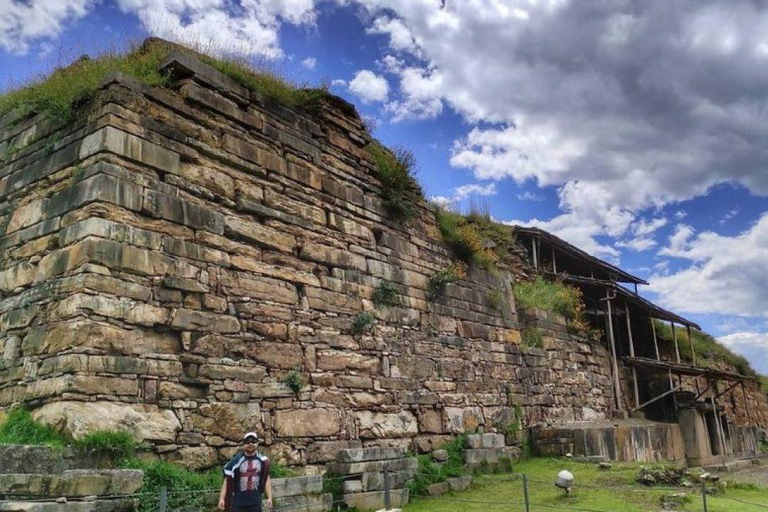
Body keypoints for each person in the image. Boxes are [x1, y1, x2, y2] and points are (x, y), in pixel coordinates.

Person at [218, 432, 273, 511]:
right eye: (247, 442)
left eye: (253, 441)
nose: (250, 444)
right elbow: (227, 480)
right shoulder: (235, 461)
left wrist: (269, 497)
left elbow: (266, 479)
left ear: (257, 443)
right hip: (238, 503)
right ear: (244, 444)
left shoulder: (263, 461)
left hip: (255, 502)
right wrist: (222, 499)